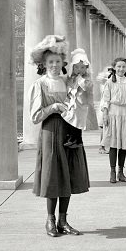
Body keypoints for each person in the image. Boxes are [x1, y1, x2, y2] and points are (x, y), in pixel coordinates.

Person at [29, 34, 90, 237]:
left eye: (57, 62)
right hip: (51, 132)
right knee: (53, 175)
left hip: (69, 130)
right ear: (44, 64)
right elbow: (35, 116)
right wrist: (54, 107)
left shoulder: (68, 80)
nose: (54, 65)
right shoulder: (40, 85)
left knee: (69, 174)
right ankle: (50, 219)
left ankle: (64, 219)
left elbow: (83, 90)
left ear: (62, 63)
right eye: (50, 62)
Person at [99, 56, 126, 183]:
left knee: (123, 145)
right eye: (119, 66)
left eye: (123, 66)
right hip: (113, 113)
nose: (121, 69)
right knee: (113, 144)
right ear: (114, 68)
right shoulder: (110, 82)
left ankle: (121, 172)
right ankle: (112, 172)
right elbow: (105, 100)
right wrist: (105, 115)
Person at [61, 48, 94, 149]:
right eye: (77, 67)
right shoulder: (70, 78)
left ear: (86, 68)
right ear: (73, 67)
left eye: (82, 67)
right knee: (69, 119)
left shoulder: (86, 78)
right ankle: (71, 138)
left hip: (81, 104)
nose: (79, 70)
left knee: (78, 122)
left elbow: (87, 87)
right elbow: (67, 85)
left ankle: (77, 140)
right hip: (72, 103)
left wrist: (80, 79)